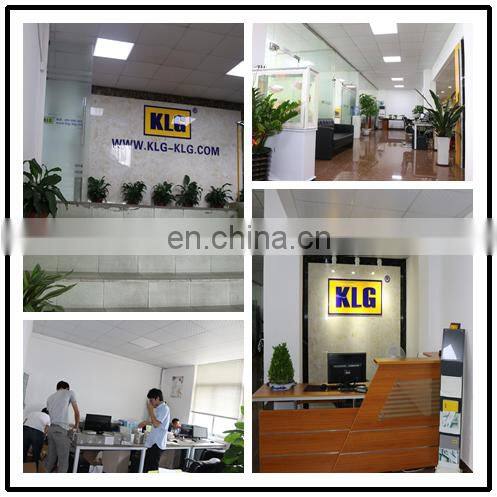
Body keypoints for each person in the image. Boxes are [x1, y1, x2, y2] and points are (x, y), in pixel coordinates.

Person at [45, 380, 80, 473]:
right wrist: (76, 426)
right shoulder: (70, 392)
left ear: (57, 388)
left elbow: (53, 415)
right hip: (60, 431)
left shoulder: (50, 397)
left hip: (51, 430)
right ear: (67, 388)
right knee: (63, 462)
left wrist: (67, 424)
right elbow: (77, 413)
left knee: (50, 459)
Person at [139, 388, 170, 473]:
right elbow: (153, 422)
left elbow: (156, 424)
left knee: (152, 469)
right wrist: (145, 422)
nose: (150, 402)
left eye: (151, 400)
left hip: (157, 444)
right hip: (152, 443)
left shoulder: (164, 408)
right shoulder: (158, 408)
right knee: (146, 468)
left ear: (157, 398)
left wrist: (150, 410)